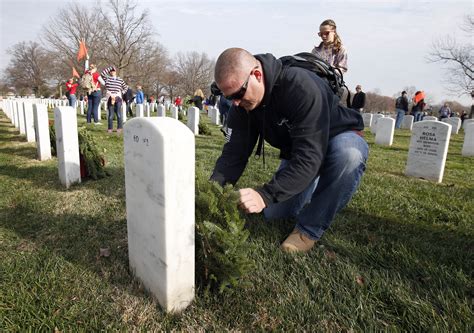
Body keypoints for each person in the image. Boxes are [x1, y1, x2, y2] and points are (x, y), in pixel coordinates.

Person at [210, 48, 368, 253]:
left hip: (337, 137)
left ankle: (309, 229)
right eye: (230, 97)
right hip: (299, 150)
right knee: (275, 213)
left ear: (257, 75)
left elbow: (309, 158)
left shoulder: (300, 86)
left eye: (239, 94)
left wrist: (264, 195)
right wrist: (212, 193)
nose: (236, 103)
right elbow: (233, 155)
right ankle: (309, 183)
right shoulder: (241, 105)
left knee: (348, 155)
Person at [101, 66, 128, 133]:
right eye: (111, 71)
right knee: (110, 115)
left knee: (118, 114)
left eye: (113, 71)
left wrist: (122, 92)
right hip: (110, 98)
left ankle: (119, 128)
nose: (112, 72)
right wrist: (110, 68)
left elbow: (126, 87)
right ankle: (110, 129)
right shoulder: (107, 79)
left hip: (118, 98)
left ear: (116, 72)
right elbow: (102, 74)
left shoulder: (120, 79)